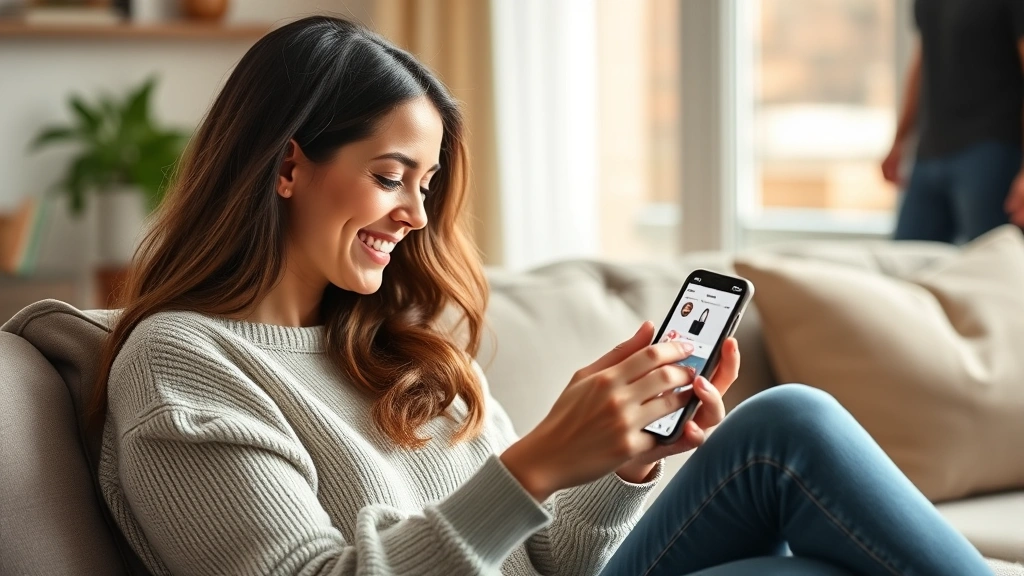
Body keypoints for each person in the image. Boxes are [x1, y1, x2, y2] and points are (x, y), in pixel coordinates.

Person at [90, 16, 993, 576]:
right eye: (391, 175)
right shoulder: (184, 362)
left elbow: (554, 562)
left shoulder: (398, 347)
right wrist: (534, 466)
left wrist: (622, 463)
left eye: (428, 184)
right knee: (785, 431)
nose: (415, 213)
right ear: (289, 164)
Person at [883, 0, 1024, 242]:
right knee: (906, 266)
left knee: (989, 267)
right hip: (929, 152)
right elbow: (923, 61)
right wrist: (900, 139)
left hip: (991, 152)